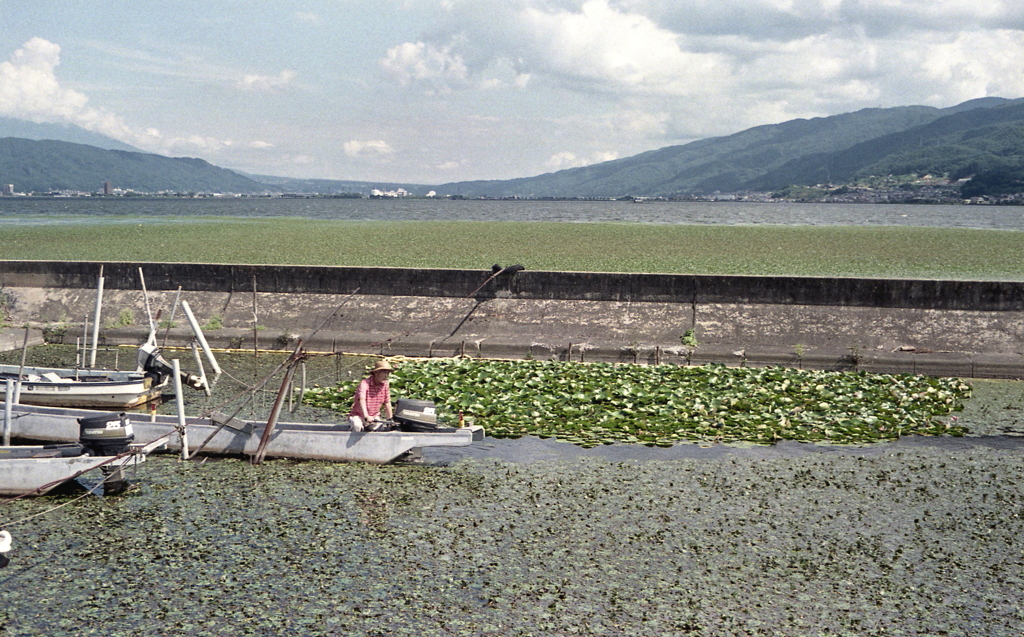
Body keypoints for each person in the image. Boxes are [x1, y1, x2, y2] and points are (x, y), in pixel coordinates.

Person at [349, 360, 394, 432]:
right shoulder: (364, 384)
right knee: (357, 425)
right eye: (384, 372)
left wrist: (390, 419)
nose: (386, 375)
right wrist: (366, 416)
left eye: (388, 373)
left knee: (381, 428)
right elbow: (362, 400)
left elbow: (387, 402)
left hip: (374, 417)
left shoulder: (385, 384)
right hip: (359, 416)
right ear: (376, 373)